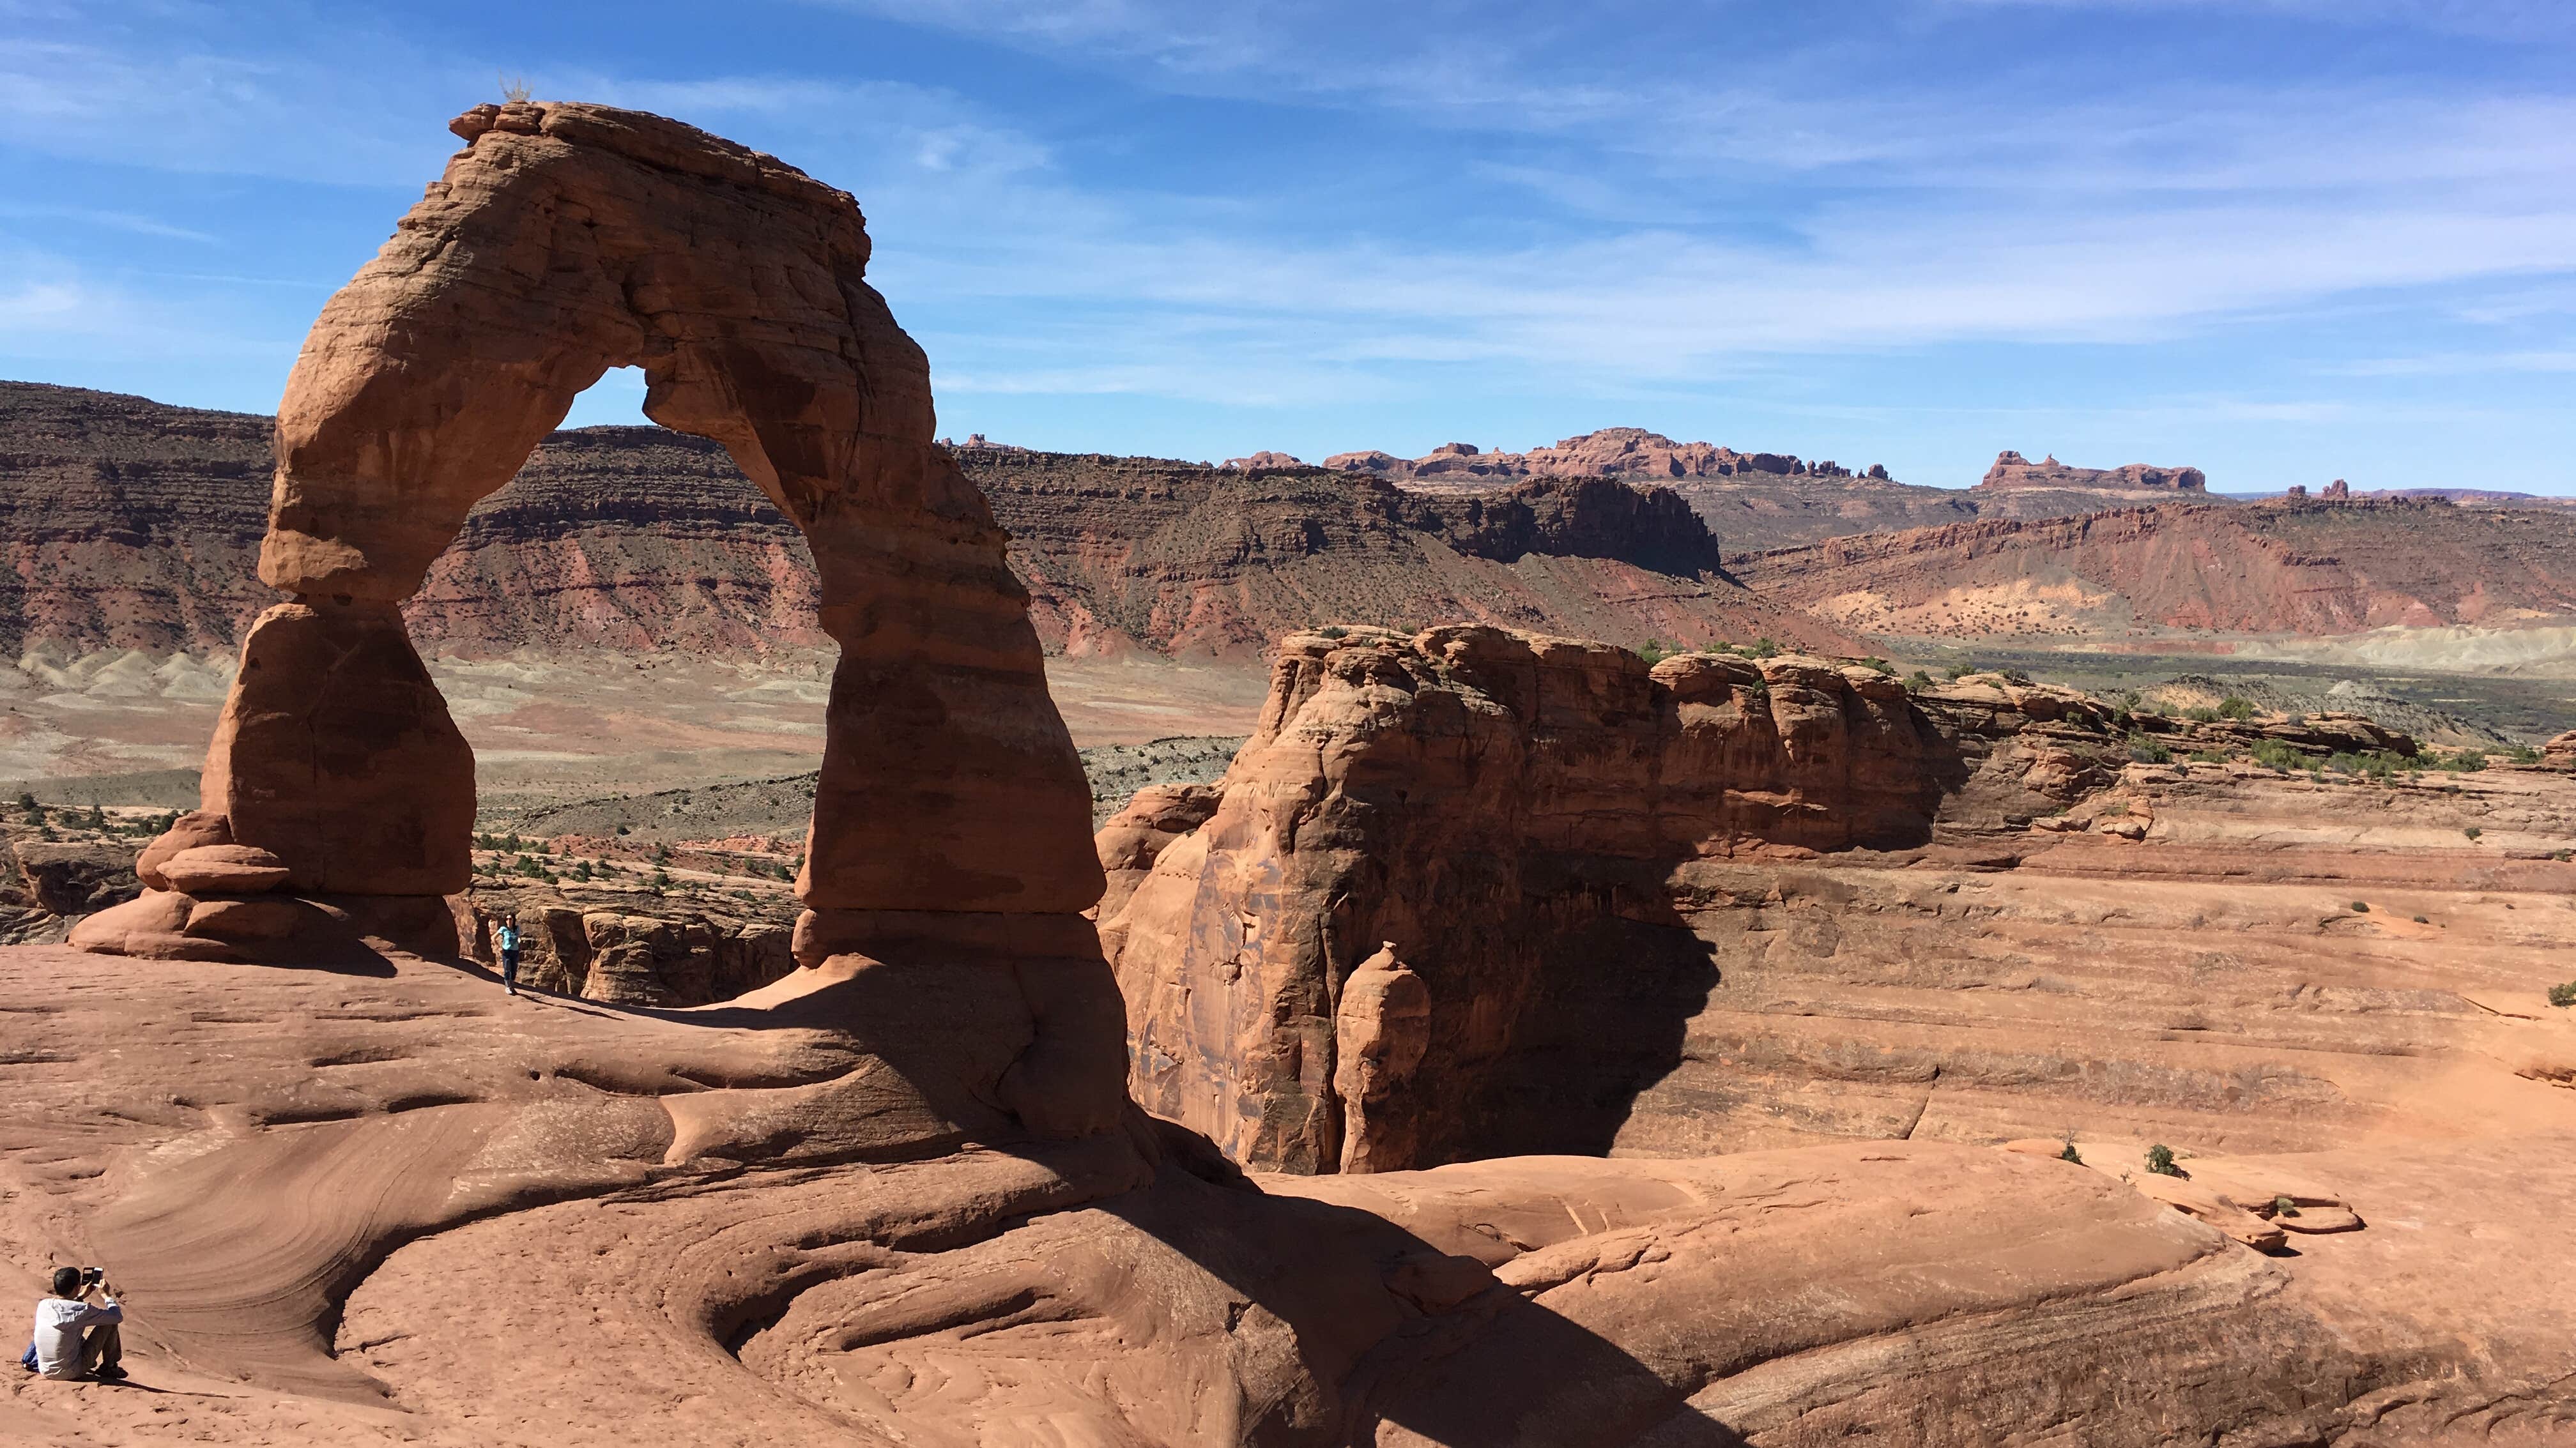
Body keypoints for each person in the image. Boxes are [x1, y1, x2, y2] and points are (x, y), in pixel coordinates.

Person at [27, 1267, 124, 1382]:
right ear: (77, 1287)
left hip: (45, 1370)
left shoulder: (44, 1305)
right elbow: (116, 1317)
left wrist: (81, 1297)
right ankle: (110, 1367)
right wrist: (106, 1296)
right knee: (109, 1323)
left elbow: (67, 1310)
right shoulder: (83, 1310)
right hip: (71, 1371)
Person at [496, 916, 521, 996]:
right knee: (507, 969)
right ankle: (507, 987)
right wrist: (498, 947)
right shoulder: (504, 929)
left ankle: (512, 986)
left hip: (515, 951)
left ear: (514, 920)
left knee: (514, 970)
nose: (509, 920)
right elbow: (493, 937)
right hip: (507, 951)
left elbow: (519, 937)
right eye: (507, 919)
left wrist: (520, 941)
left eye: (510, 919)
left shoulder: (517, 928)